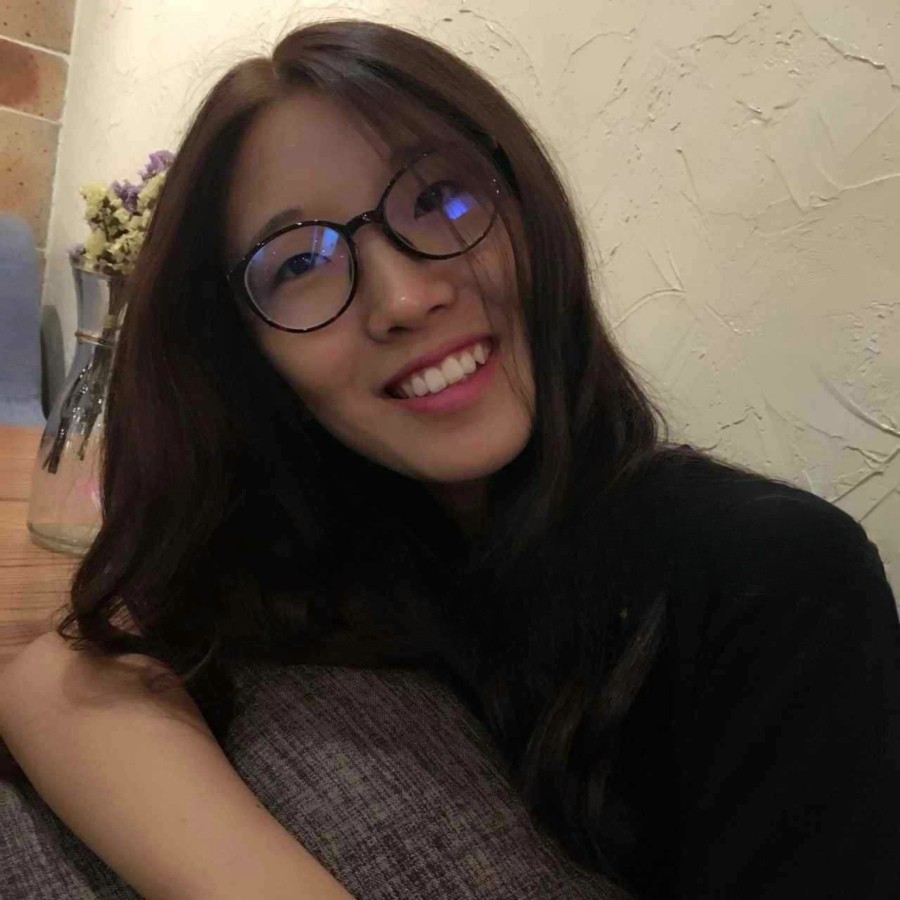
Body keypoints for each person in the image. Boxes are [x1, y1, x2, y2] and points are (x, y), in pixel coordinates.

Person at [1, 18, 898, 900]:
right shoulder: (312, 541)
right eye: (301, 264)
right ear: (247, 352)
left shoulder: (773, 582)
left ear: (529, 208)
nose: (401, 297)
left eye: (439, 199)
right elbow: (60, 676)